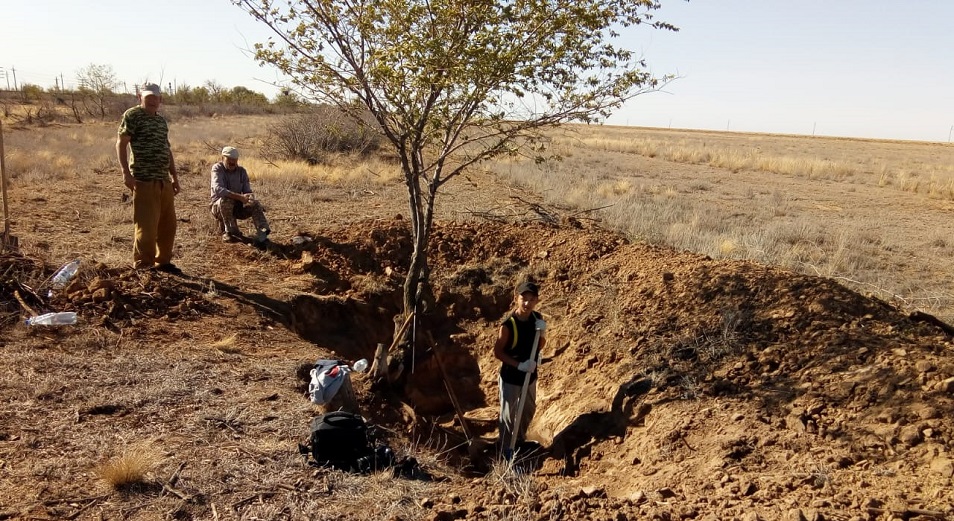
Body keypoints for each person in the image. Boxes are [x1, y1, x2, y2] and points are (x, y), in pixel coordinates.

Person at [116, 83, 182, 274]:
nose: (152, 101)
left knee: (168, 226)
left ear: (160, 99)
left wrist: (175, 177)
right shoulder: (132, 115)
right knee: (146, 227)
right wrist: (125, 174)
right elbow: (121, 144)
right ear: (140, 97)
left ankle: (163, 262)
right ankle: (144, 265)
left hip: (164, 180)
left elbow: (166, 149)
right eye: (148, 97)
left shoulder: (161, 121)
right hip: (143, 179)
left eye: (156, 98)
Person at [493, 280, 547, 459]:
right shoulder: (508, 325)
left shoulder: (537, 319)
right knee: (508, 416)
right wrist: (519, 365)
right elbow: (498, 352)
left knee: (528, 409)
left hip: (529, 374)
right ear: (517, 298)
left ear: (537, 301)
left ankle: (519, 441)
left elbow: (539, 346)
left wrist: (543, 334)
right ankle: (505, 449)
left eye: (532, 300)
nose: (527, 303)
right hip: (511, 375)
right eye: (524, 298)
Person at [210, 146, 271, 246]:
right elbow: (218, 189)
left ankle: (263, 234)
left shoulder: (241, 171)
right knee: (226, 199)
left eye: (234, 160)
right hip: (219, 207)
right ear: (222, 158)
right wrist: (239, 197)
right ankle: (229, 232)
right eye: (229, 159)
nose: (232, 162)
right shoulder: (217, 168)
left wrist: (250, 198)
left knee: (254, 203)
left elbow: (247, 191)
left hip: (237, 207)